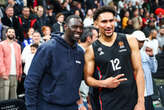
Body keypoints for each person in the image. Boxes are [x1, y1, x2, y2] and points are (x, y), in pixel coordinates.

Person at [84, 6, 145, 110]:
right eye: (104, 21)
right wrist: (104, 83)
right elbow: (87, 79)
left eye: (111, 20)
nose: (108, 25)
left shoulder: (129, 40)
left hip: (131, 100)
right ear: (96, 24)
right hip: (108, 102)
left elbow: (138, 71)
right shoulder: (91, 50)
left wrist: (141, 101)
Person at [24, 15, 86, 110]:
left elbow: (77, 80)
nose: (78, 30)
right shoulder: (48, 48)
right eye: (74, 27)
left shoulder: (80, 52)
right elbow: (31, 82)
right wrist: (31, 108)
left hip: (72, 106)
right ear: (65, 27)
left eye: (81, 28)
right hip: (48, 106)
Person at [132, 30, 157, 110]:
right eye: (140, 41)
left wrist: (152, 56)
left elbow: (154, 70)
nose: (141, 43)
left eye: (143, 41)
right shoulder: (126, 54)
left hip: (147, 92)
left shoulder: (144, 53)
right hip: (135, 93)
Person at [79, 26, 99, 110]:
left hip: (88, 98)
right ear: (89, 39)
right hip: (79, 101)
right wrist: (80, 104)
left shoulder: (90, 52)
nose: (99, 40)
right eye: (97, 37)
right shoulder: (77, 53)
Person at [0, 27, 22, 100]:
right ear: (6, 34)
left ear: (14, 34)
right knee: (4, 97)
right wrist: (3, 73)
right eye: (9, 32)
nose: (11, 33)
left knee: (13, 97)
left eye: (13, 32)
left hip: (15, 74)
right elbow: (0, 60)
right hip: (5, 74)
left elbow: (19, 61)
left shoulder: (18, 46)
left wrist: (19, 74)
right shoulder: (1, 45)